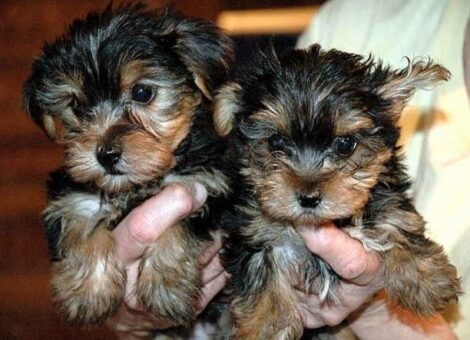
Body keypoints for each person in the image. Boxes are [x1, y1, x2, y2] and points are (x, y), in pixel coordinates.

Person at [108, 0, 469, 338]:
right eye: (277, 146)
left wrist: (379, 304)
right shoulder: (362, 13)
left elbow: (413, 256)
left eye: (345, 147)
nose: (309, 183)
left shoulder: (388, 212)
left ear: (392, 110)